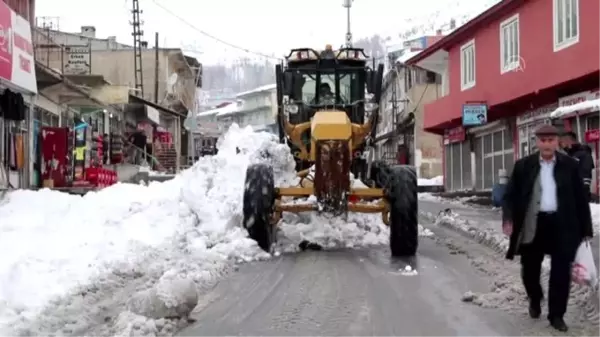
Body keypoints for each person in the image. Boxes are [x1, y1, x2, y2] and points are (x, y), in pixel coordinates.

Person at [502, 124, 593, 332]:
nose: (547, 144)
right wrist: (508, 218)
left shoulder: (570, 165)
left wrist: (586, 229)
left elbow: (580, 199)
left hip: (563, 226)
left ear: (557, 142)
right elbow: (510, 196)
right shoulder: (523, 166)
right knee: (530, 271)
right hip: (534, 224)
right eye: (542, 140)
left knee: (561, 272)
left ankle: (556, 315)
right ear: (536, 142)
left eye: (551, 140)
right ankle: (535, 298)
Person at [560, 130, 594, 200]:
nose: (561, 145)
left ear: (568, 141)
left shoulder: (583, 154)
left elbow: (586, 171)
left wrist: (585, 187)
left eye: (562, 142)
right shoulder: (570, 155)